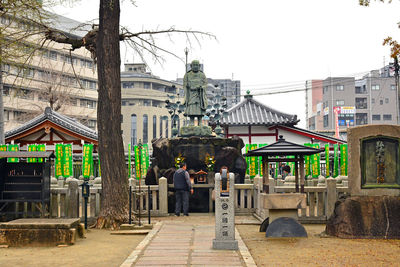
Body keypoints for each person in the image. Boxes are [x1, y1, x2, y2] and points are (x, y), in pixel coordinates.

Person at [183, 60, 208, 125]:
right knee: (191, 106)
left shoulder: (202, 74)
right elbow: (185, 84)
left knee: (199, 107)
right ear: (191, 66)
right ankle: (191, 121)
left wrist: (201, 87)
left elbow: (205, 84)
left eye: (197, 65)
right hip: (191, 94)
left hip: (199, 94)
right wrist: (188, 87)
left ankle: (200, 121)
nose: (195, 66)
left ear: (199, 66)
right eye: (194, 65)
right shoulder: (187, 75)